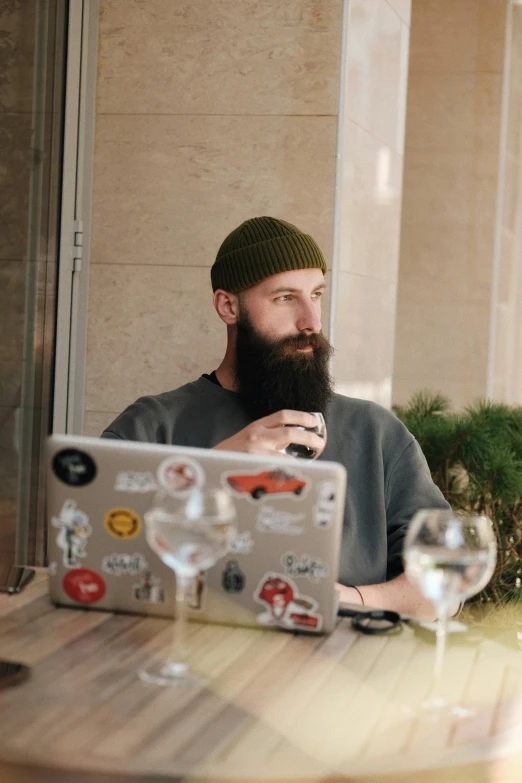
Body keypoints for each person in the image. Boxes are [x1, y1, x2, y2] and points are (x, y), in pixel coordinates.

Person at [102, 216, 449, 617]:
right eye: (285, 298)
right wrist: (216, 470)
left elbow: (445, 582)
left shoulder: (376, 433)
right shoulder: (152, 425)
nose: (311, 322)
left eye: (316, 295)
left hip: (342, 670)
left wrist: (343, 600)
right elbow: (100, 556)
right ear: (228, 306)